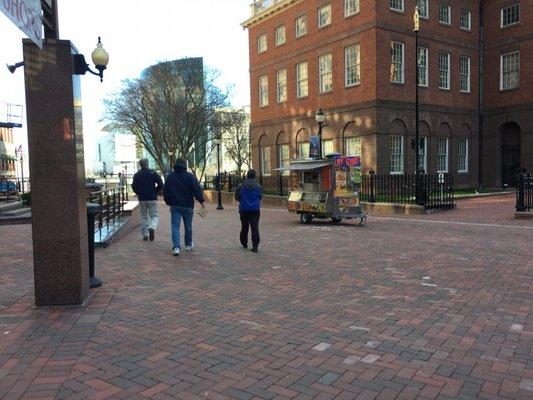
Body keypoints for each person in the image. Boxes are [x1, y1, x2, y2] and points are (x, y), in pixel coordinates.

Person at [163, 158, 206, 256]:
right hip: (187, 205)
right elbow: (196, 190)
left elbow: (165, 191)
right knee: (188, 226)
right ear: (185, 165)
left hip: (175, 205)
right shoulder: (190, 176)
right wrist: (202, 201)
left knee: (175, 226)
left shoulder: (170, 177)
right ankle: (188, 244)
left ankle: (176, 247)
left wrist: (169, 202)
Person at [132, 158, 163, 241]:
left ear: (140, 165)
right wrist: (155, 191)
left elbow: (134, 187)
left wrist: (139, 193)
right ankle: (152, 227)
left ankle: (145, 235)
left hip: (142, 198)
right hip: (152, 197)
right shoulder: (153, 173)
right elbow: (161, 184)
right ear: (147, 164)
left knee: (144, 216)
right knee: (154, 216)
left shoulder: (137, 175)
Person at [235, 169, 262, 253]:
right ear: (254, 176)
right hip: (255, 209)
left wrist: (242, 200)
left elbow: (236, 196)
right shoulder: (258, 186)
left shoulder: (241, 186)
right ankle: (255, 246)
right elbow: (260, 197)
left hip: (244, 209)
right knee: (255, 228)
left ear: (247, 175)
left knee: (244, 227)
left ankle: (244, 243)